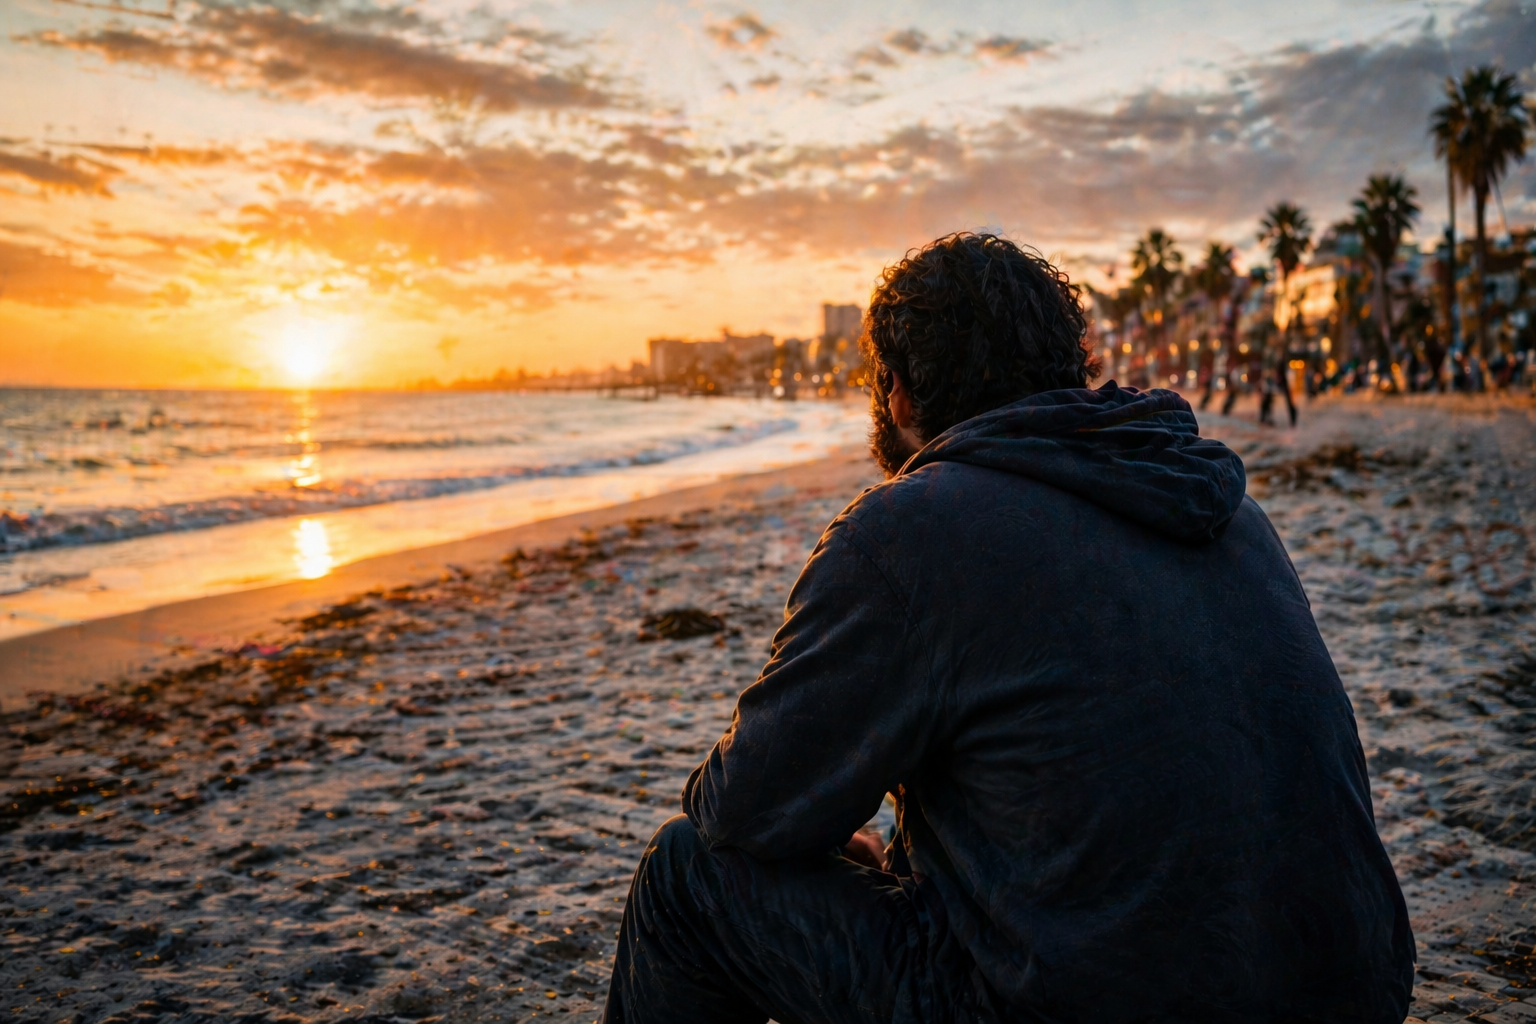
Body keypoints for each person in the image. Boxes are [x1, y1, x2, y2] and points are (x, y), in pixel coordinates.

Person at [602, 232, 1414, 1024]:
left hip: (1083, 1000)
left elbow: (738, 811)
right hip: (1354, 988)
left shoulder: (911, 529)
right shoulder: (1229, 508)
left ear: (900, 398)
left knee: (684, 878)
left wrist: (827, 842)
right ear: (1071, 365)